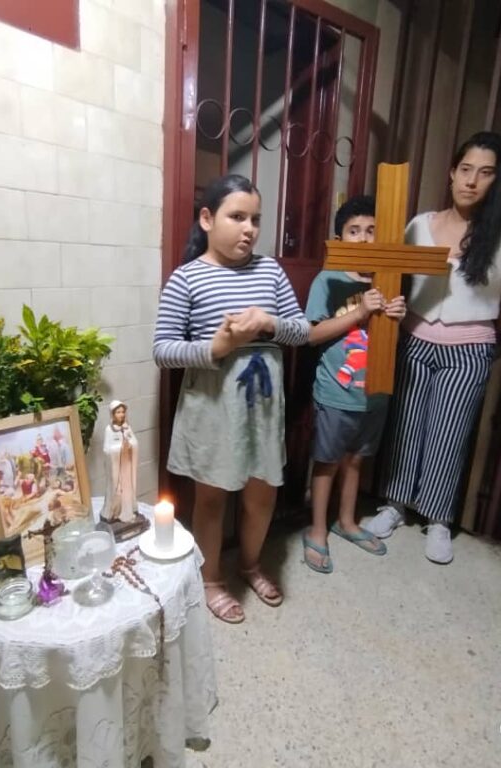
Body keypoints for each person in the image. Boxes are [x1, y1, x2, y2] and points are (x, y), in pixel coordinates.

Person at [363, 131, 501, 564]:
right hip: (414, 337)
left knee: (449, 432)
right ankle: (394, 505)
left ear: (498, 179)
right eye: (465, 169)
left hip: (469, 346)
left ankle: (438, 518)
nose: (471, 181)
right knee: (405, 425)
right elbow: (396, 279)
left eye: (485, 173)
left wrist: (481, 329)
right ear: (452, 173)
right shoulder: (420, 224)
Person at [153, 173, 310, 623]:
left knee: (262, 494)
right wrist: (217, 347)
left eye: (255, 219)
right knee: (211, 498)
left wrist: (269, 323)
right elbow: (162, 350)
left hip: (263, 406)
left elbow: (302, 331)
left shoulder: (271, 271)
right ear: (207, 219)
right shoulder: (186, 278)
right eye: (237, 217)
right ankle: (211, 580)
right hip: (213, 406)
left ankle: (250, 564)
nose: (249, 229)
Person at [302, 195, 407, 573]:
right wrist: (361, 311)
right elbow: (312, 335)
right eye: (354, 231)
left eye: (372, 230)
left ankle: (346, 522)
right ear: (340, 239)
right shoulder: (328, 279)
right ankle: (317, 529)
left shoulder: (389, 277)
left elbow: (391, 336)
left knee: (357, 460)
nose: (364, 238)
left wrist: (398, 316)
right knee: (327, 462)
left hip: (375, 394)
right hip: (336, 391)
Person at [101, 400, 139, 524]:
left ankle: (128, 511)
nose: (121, 414)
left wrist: (130, 445)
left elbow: (135, 442)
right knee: (116, 490)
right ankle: (114, 513)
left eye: (123, 412)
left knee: (127, 489)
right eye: (118, 412)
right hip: (117, 468)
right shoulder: (109, 430)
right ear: (112, 414)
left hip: (126, 465)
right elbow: (107, 449)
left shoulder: (127, 428)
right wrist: (120, 448)